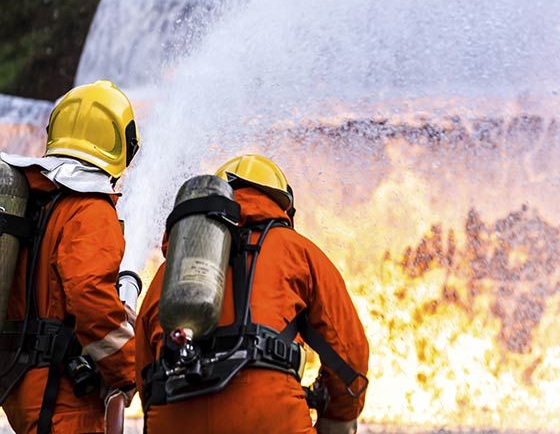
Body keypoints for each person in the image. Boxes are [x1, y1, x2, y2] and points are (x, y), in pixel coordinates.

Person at [136, 154, 369, 434]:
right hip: (269, 414)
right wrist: (338, 417)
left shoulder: (172, 270)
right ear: (283, 205)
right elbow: (348, 350)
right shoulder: (297, 250)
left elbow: (145, 368)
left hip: (173, 414)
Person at [0, 80, 140, 433]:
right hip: (60, 395)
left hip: (21, 380)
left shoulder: (36, 198)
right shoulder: (89, 208)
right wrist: (128, 368)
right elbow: (88, 294)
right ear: (121, 143)